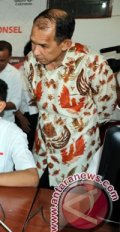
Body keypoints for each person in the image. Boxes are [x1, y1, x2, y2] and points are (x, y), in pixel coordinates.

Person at [23, 8, 117, 187]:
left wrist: (79, 125)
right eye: (33, 43)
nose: (35, 52)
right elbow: (35, 97)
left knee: (74, 208)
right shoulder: (30, 62)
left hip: (77, 156)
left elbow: (105, 110)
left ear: (65, 44)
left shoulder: (92, 64)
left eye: (43, 46)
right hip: (42, 152)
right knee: (38, 204)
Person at [14, 41, 39, 150]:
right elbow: (9, 99)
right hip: (25, 117)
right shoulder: (17, 74)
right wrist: (20, 117)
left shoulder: (46, 73)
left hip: (42, 116)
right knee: (26, 149)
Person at [0, 40, 22, 122]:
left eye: (2, 60)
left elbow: (16, 103)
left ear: (9, 57)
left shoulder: (15, 74)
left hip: (6, 121)